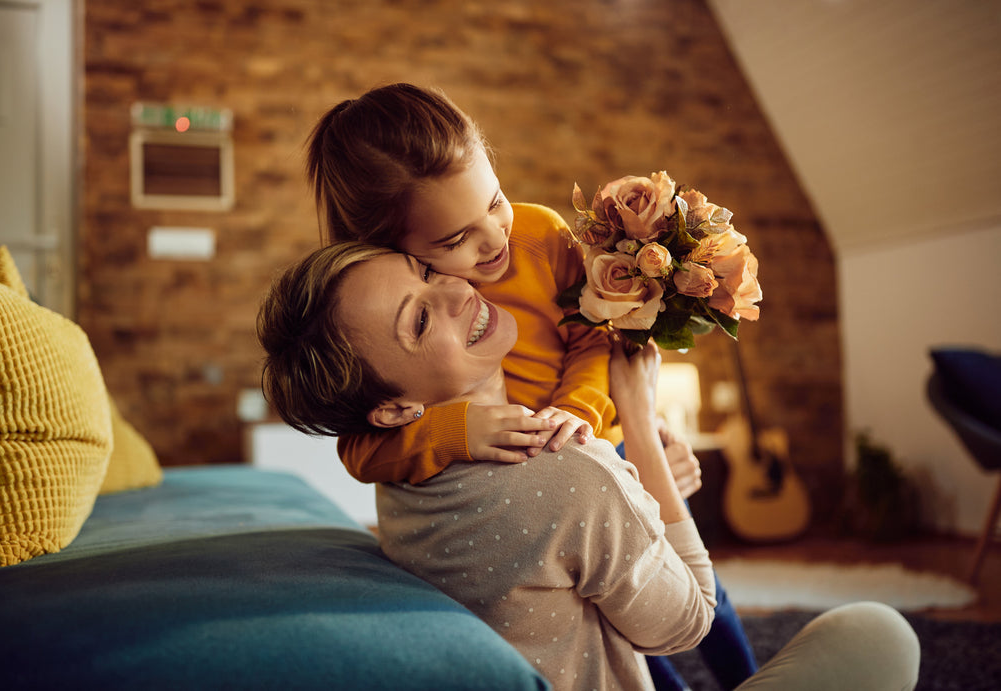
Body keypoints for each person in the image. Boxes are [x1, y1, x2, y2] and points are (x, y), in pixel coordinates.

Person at [256, 243, 921, 691]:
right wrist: (635, 412)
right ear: (396, 408)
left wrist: (635, 475)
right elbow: (687, 620)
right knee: (881, 630)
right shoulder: (568, 468)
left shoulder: (397, 482)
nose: (459, 290)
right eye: (421, 317)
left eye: (428, 272)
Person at [305, 82, 753, 689]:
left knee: (690, 592)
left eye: (494, 202)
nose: (493, 240)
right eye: (453, 240)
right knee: (625, 636)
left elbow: (592, 337)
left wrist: (587, 419)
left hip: (589, 439)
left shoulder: (539, 234)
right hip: (543, 480)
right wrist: (457, 429)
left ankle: (750, 677)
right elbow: (360, 449)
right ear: (390, 251)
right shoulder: (400, 319)